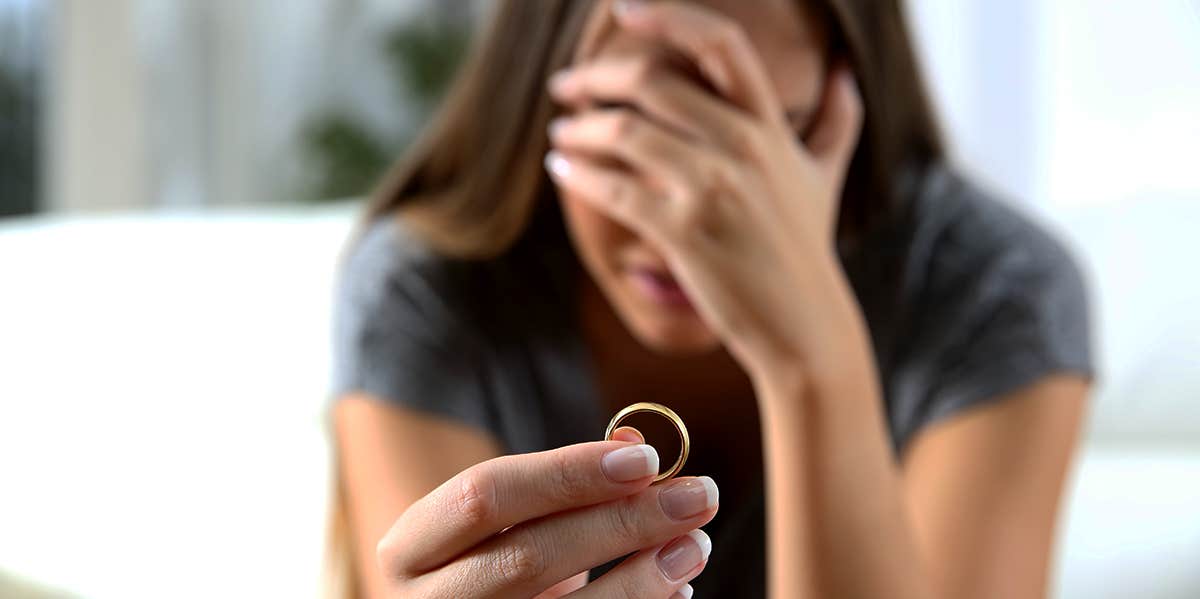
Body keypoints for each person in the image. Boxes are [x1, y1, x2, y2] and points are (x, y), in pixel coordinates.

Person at [327, 0, 1094, 597]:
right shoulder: (430, 289)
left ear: (849, 105)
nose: (687, 216)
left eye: (759, 138)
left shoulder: (995, 287)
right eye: (638, 127)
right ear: (542, 103)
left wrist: (812, 352)